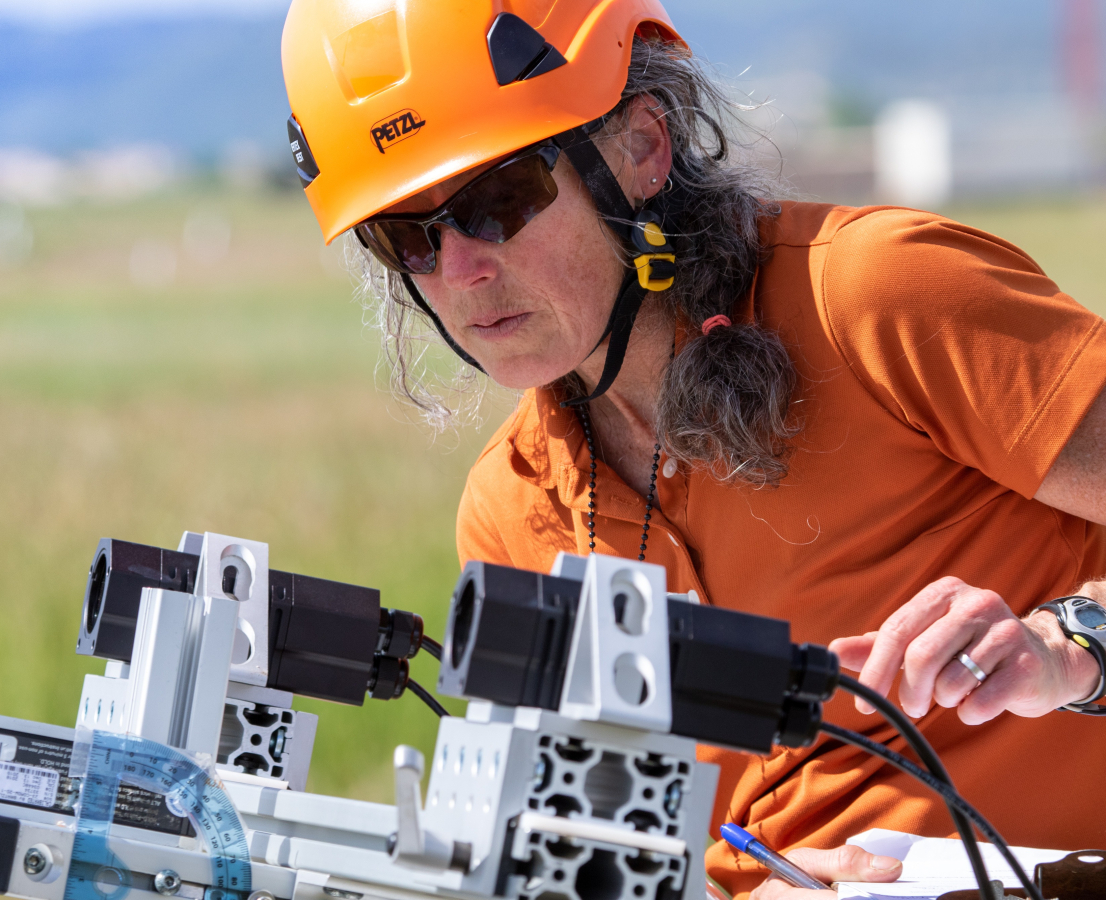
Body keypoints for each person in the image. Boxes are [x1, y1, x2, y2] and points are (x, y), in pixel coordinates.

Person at [280, 1, 1106, 897]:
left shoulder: (877, 299)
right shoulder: (512, 509)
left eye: (496, 201)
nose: (459, 273)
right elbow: (596, 854)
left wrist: (1069, 646)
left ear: (642, 147)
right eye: (406, 236)